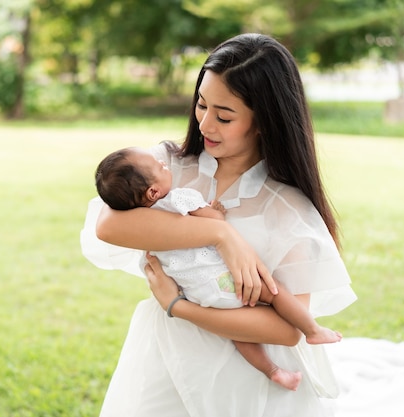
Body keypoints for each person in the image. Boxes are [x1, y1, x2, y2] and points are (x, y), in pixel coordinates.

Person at [81, 33, 357, 417]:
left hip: (250, 381)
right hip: (167, 362)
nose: (206, 123)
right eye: (201, 104)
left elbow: (286, 329)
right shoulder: (166, 168)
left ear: (264, 122)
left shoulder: (287, 209)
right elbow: (109, 226)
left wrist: (179, 307)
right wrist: (221, 233)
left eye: (224, 116)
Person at [94, 146, 344, 391]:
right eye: (160, 167)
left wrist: (177, 304)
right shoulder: (181, 197)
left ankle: (273, 370)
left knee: (237, 336)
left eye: (224, 116)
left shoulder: (141, 221)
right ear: (153, 191)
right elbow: (215, 219)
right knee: (273, 292)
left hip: (201, 296)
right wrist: (218, 220)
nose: (164, 164)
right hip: (228, 282)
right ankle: (313, 329)